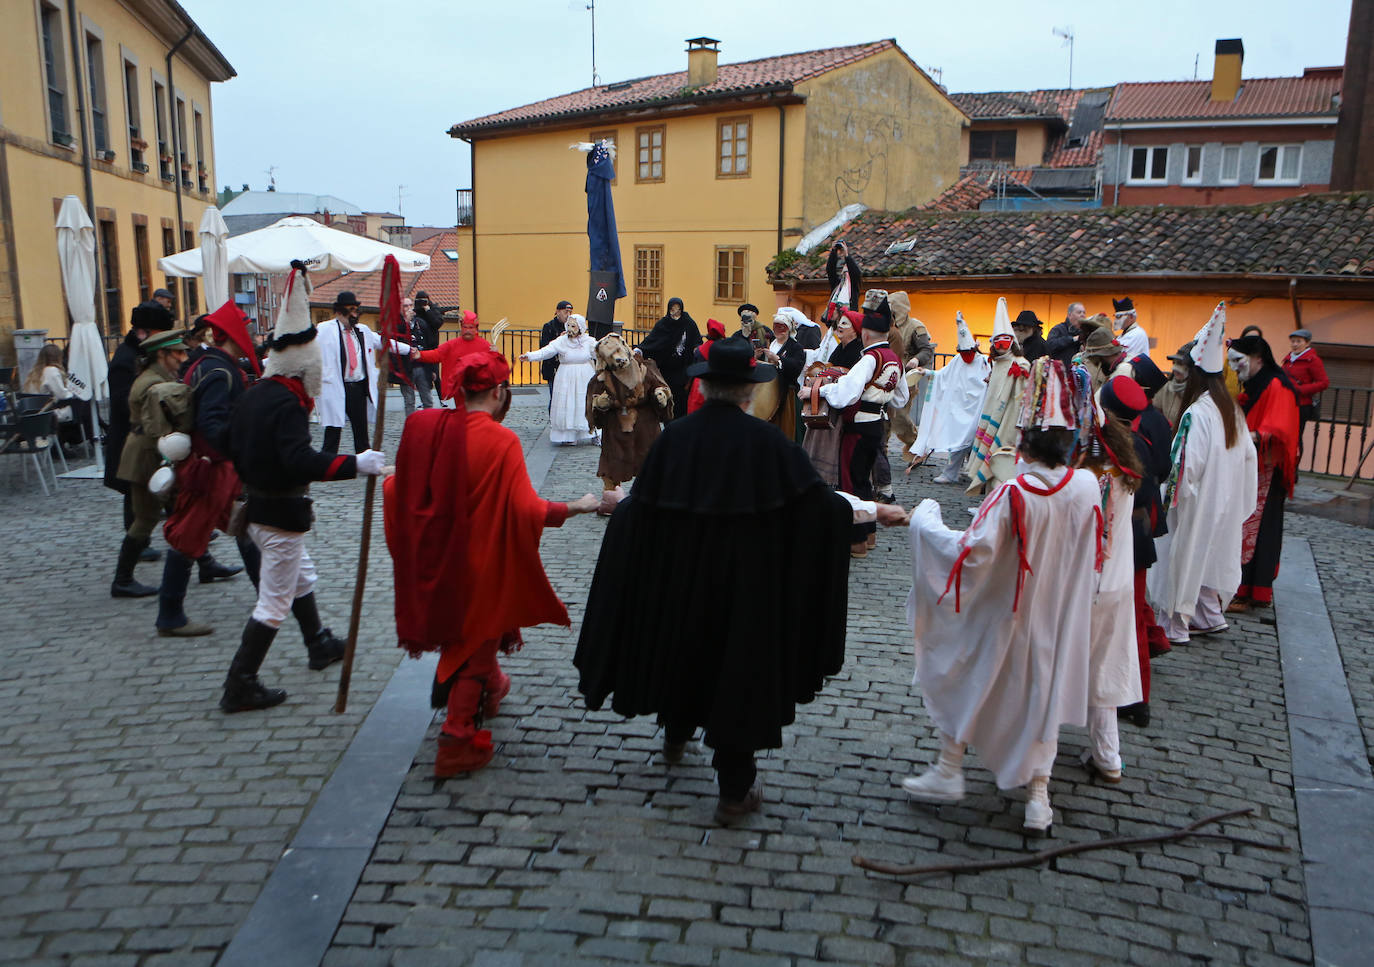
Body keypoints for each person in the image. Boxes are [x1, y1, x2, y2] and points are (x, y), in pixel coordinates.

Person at [575, 335, 908, 824]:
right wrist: (872, 510)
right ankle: (734, 792)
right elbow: (817, 505)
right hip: (746, 592)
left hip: (681, 586)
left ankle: (675, 731)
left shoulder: (676, 439)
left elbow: (643, 508)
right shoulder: (772, 444)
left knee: (684, 651)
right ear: (751, 394)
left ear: (704, 388)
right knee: (738, 676)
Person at [901, 357, 1102, 833]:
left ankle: (950, 769)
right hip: (1057, 616)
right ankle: (1038, 797)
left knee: (973, 676)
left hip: (1007, 615)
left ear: (1025, 442)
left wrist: (926, 520)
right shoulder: (1088, 487)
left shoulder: (1014, 493)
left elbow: (972, 553)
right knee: (1042, 695)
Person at [384, 350, 599, 775]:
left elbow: (401, 490)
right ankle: (457, 739)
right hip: (478, 564)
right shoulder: (501, 441)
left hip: (437, 560)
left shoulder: (423, 428)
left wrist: (397, 478)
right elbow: (524, 511)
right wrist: (576, 506)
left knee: (475, 636)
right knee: (479, 641)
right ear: (501, 391)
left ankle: (492, 689)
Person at [221, 267, 388, 713]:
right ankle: (240, 682)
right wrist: (354, 463)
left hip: (258, 508)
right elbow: (298, 460)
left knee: (301, 577)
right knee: (273, 602)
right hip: (277, 512)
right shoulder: (289, 400)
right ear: (304, 360)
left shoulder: (257, 392)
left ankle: (318, 642)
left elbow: (230, 444)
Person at [1147, 305, 1257, 644]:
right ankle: (1209, 613)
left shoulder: (1197, 413)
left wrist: (1170, 497)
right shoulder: (1230, 411)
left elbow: (1185, 465)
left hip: (1196, 502)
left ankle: (1175, 623)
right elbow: (1249, 460)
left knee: (1181, 557)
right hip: (1223, 500)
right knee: (1209, 556)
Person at [154, 302, 260, 638]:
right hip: (211, 469)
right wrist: (237, 448)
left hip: (217, 466)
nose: (253, 333)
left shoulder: (213, 365)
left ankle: (272, 597)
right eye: (247, 327)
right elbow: (211, 423)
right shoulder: (218, 370)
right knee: (188, 536)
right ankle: (169, 616)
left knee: (244, 527)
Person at [1076, 381, 1145, 784]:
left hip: (1086, 582)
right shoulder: (1124, 468)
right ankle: (1109, 758)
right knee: (1102, 671)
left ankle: (1036, 755)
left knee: (1056, 664)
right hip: (1116, 583)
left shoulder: (1087, 474)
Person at [1110, 370, 1174, 729]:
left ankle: (1136, 698)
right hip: (1138, 533)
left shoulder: (1129, 444)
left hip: (1129, 536)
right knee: (1134, 613)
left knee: (1129, 618)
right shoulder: (1149, 430)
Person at [817, 302, 907, 557]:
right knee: (864, 483)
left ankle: (855, 541)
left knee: (849, 483)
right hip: (877, 426)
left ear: (865, 333)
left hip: (858, 427)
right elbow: (901, 399)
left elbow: (845, 394)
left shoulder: (870, 358)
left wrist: (819, 390)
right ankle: (869, 535)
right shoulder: (894, 360)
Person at [111, 330, 191, 597]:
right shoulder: (151, 385)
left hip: (152, 453)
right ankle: (122, 580)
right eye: (178, 353)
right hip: (147, 456)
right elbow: (157, 428)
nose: (183, 357)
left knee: (183, 512)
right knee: (145, 519)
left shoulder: (158, 377)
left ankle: (206, 563)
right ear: (162, 354)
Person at [1228, 335, 1301, 612]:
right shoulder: (1258, 383)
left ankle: (1251, 592)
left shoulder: (1276, 385)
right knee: (1245, 526)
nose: (1234, 368)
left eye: (1239, 361)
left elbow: (1278, 429)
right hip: (1253, 466)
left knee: (1258, 529)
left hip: (1267, 470)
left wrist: (1243, 436)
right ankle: (1241, 587)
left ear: (1258, 357)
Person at [106, 301, 175, 565]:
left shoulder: (141, 355)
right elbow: (123, 402)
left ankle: (194, 542)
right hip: (131, 436)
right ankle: (138, 542)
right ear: (145, 332)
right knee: (134, 488)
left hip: (150, 435)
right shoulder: (125, 359)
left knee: (163, 487)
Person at [587, 332, 674, 514]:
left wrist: (661, 395)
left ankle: (653, 498)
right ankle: (611, 499)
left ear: (625, 348)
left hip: (645, 425)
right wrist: (600, 404)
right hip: (617, 426)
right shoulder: (601, 379)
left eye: (618, 351)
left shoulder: (644, 367)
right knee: (613, 464)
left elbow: (659, 386)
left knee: (650, 462)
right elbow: (594, 408)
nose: (617, 358)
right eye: (611, 356)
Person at [316, 291, 413, 454]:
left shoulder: (362, 330)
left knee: (361, 430)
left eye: (356, 311)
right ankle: (327, 463)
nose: (354, 315)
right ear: (339, 312)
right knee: (333, 429)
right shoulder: (324, 330)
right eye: (351, 311)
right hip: (337, 386)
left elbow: (384, 342)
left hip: (359, 387)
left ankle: (365, 460)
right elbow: (304, 347)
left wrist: (410, 350)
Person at [908, 314, 990, 485]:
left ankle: (976, 474)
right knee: (957, 441)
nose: (965, 356)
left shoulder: (984, 362)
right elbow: (943, 375)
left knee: (975, 442)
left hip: (977, 410)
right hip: (958, 409)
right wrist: (927, 373)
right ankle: (951, 472)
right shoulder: (958, 361)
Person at [965, 300, 1029, 496]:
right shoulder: (998, 363)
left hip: (1008, 419)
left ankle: (999, 501)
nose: (1001, 347)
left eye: (1005, 342)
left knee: (1001, 461)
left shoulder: (1020, 363)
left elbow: (1023, 390)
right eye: (997, 342)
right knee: (990, 459)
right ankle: (990, 500)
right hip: (992, 415)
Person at [520, 313, 600, 445]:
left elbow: (601, 353)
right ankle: (568, 435)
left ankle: (594, 433)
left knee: (586, 404)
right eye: (568, 325)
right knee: (567, 404)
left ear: (580, 327)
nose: (570, 328)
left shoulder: (589, 341)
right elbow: (546, 351)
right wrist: (529, 356)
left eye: (573, 325)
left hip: (585, 376)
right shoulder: (561, 341)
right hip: (566, 376)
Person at [801, 311, 860, 489]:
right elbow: (830, 369)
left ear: (855, 331)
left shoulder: (857, 351)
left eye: (845, 324)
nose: (840, 326)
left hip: (843, 409)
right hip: (829, 405)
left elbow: (849, 381)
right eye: (840, 323)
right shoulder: (839, 348)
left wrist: (820, 387)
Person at [637, 296, 701, 420]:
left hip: (684, 369)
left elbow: (696, 340)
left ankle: (681, 421)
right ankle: (668, 421)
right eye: (672, 310)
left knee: (682, 399)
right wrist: (640, 349)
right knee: (668, 396)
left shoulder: (688, 323)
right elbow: (652, 341)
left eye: (678, 310)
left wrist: (696, 348)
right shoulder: (664, 324)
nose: (675, 313)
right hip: (668, 370)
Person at [413, 310, 491, 406]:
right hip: (458, 388)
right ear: (461, 328)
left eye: (471, 328)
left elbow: (494, 364)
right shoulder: (452, 344)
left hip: (478, 389)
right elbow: (437, 354)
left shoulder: (485, 346)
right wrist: (420, 355)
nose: (467, 330)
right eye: (465, 327)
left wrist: (496, 354)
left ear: (476, 329)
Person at [888, 291, 933, 447]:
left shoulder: (915, 327)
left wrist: (916, 359)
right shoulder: (887, 326)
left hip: (906, 380)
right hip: (887, 376)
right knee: (884, 418)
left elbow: (927, 350)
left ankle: (916, 445)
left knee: (899, 416)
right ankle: (881, 453)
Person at [1281, 328, 1328, 461]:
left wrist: (1300, 390)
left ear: (1307, 343)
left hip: (1301, 405)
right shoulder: (1289, 359)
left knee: (1295, 437)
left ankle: (1293, 468)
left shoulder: (1313, 360)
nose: (1295, 344)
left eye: (1298, 341)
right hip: (1286, 403)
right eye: (1293, 341)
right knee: (1283, 435)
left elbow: (1324, 383)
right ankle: (1282, 465)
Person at [22, 344, 90, 435]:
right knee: (84, 403)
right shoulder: (51, 371)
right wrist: (75, 392)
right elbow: (62, 395)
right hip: (50, 414)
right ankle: (87, 436)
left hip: (35, 414)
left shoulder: (33, 372)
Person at [760, 309, 806, 440]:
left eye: (782, 327)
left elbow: (796, 367)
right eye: (776, 326)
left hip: (786, 394)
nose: (779, 330)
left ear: (788, 329)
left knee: (787, 429)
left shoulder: (795, 347)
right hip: (768, 392)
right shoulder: (770, 344)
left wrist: (778, 360)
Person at [394, 297, 434, 417]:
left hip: (422, 366)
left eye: (410, 305)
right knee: (409, 401)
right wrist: (405, 322)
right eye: (405, 306)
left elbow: (429, 345)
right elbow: (395, 341)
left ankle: (428, 425)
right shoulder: (397, 324)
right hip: (406, 368)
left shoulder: (420, 323)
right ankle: (411, 427)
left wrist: (432, 369)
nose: (409, 308)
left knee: (428, 399)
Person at [538, 300, 574, 410]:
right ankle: (553, 422)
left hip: (567, 368)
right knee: (555, 398)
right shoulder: (548, 326)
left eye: (570, 312)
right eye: (565, 312)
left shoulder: (571, 327)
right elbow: (544, 347)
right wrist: (559, 339)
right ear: (558, 312)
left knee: (567, 398)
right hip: (552, 368)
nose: (568, 315)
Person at [410, 291, 444, 401]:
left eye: (424, 301)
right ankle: (425, 397)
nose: (422, 304)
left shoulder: (433, 309)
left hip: (432, 346)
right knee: (422, 373)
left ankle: (442, 397)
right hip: (420, 345)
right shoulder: (415, 312)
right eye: (419, 301)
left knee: (435, 374)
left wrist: (428, 310)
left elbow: (437, 323)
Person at [1155, 342, 1193, 430]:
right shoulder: (1166, 387)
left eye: (1181, 364)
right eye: (1174, 363)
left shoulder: (1195, 393)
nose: (1175, 368)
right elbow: (1156, 409)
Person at [825, 240, 862, 317]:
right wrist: (833, 252)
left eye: (847, 270)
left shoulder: (854, 284)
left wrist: (846, 255)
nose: (845, 271)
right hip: (836, 319)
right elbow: (830, 270)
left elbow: (855, 273)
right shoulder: (837, 284)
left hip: (850, 317)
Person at [1045, 301, 1087, 368]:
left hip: (1080, 373)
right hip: (1061, 372)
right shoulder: (1058, 329)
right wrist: (1073, 339)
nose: (1082, 315)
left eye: (1084, 313)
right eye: (1079, 312)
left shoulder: (1086, 332)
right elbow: (1050, 345)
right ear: (1069, 315)